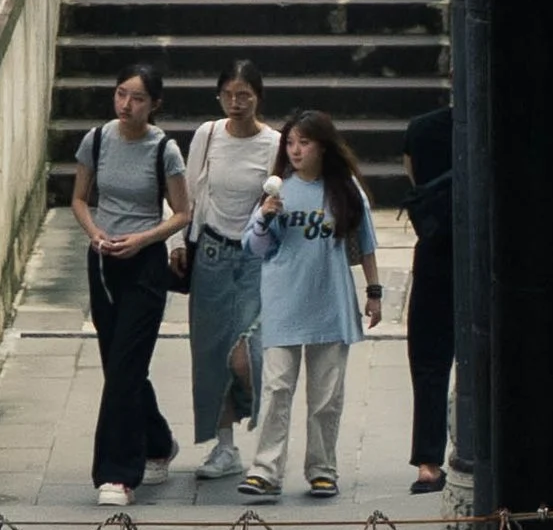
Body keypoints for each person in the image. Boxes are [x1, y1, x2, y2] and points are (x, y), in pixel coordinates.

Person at [239, 108, 381, 499]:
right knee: (276, 389)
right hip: (284, 300)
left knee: (326, 397)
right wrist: (265, 218)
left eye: (304, 142)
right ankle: (265, 469)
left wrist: (374, 292)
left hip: (330, 301)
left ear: (323, 146)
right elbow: (253, 247)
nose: (295, 150)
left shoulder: (344, 189)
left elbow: (365, 243)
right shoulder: (277, 191)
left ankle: (322, 469)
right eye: (290, 143)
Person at [71, 63, 190, 506]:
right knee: (120, 364)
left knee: (125, 364)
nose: (126, 104)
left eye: (137, 98)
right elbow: (79, 199)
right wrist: (95, 233)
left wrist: (142, 238)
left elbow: (182, 213)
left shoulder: (165, 151)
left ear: (154, 104)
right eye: (121, 94)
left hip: (145, 264)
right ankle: (157, 441)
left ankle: (117, 474)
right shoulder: (97, 139)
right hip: (103, 261)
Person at [180, 57, 275, 481]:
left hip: (255, 258)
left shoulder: (274, 144)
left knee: (246, 357)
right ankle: (224, 447)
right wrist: (173, 241)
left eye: (244, 96)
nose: (235, 104)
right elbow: (186, 192)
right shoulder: (209, 133)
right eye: (229, 95)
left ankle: (264, 424)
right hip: (212, 255)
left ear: (258, 98)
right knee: (211, 356)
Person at [399, 98, 454, 491]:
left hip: (436, 249)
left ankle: (428, 462)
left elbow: (413, 179)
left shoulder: (420, 128)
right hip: (489, 252)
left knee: (430, 361)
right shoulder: (501, 124)